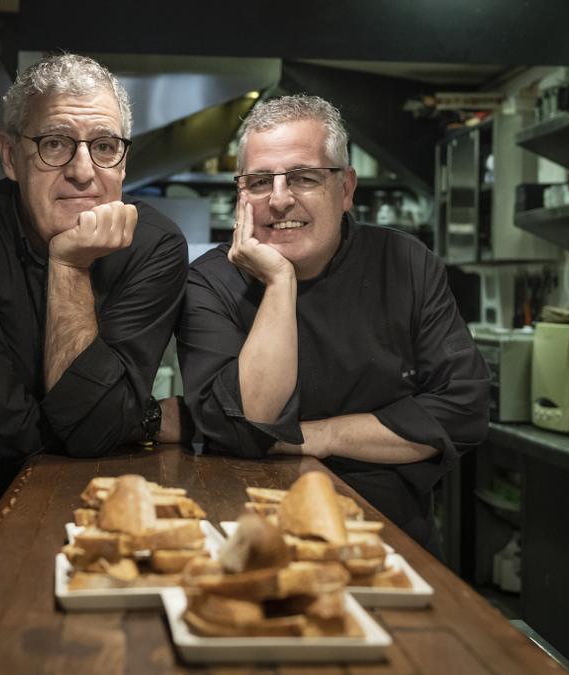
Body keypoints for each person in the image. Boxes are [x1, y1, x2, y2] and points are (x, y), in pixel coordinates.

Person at [0, 54, 188, 587]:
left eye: (104, 147)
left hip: (113, 542)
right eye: (55, 143)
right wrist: (144, 418)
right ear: (11, 156)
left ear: (123, 162)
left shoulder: (157, 245)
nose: (83, 171)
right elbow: (1, 436)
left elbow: (96, 428)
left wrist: (67, 266)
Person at [177, 95, 488, 555]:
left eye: (303, 177)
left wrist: (318, 436)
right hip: (246, 534)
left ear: (345, 190)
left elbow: (463, 409)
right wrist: (279, 281)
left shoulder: (404, 263)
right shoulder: (210, 280)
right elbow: (246, 426)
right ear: (240, 195)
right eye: (260, 181)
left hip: (388, 540)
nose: (280, 200)